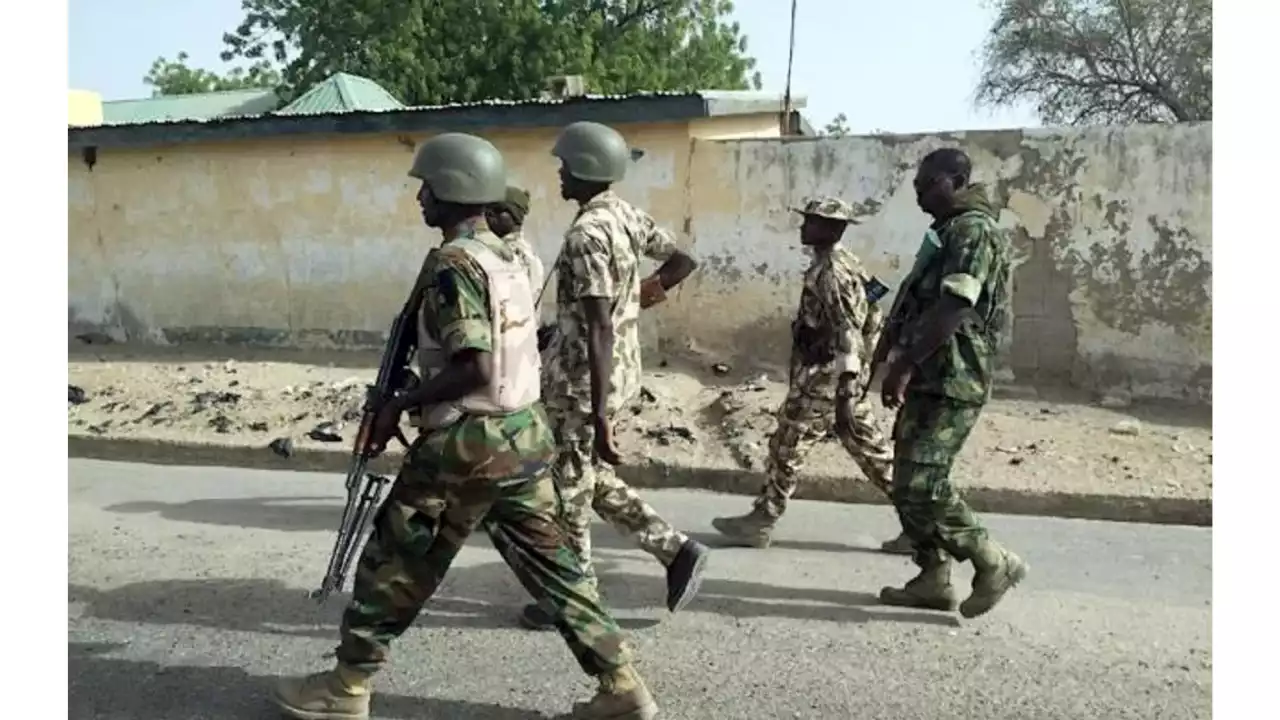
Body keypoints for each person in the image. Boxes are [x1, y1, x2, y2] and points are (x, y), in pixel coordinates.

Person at [271, 132, 659, 720]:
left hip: (468, 438)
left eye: (428, 185)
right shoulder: (507, 256)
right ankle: (622, 686)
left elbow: (474, 364)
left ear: (453, 189)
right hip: (523, 435)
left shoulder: (455, 265)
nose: (420, 196)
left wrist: (402, 402)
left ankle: (345, 688)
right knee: (557, 568)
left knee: (394, 561)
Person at [519, 120, 710, 631]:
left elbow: (600, 326)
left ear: (586, 168)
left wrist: (600, 412)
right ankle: (675, 550)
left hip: (584, 383)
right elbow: (683, 258)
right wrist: (641, 298)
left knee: (569, 490)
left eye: (565, 166)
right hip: (613, 372)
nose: (559, 174)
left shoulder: (588, 233)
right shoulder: (624, 215)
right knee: (581, 474)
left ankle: (574, 602)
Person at [874, 147, 1028, 618]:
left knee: (925, 482)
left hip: (955, 375)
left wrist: (903, 364)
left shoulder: (973, 230)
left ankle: (992, 560)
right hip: (930, 371)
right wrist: (894, 355)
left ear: (956, 180)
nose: (919, 190)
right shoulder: (947, 231)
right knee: (904, 481)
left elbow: (954, 306)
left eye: (928, 182)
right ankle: (932, 575)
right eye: (917, 183)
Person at [711, 197, 910, 553]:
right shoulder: (844, 262)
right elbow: (872, 312)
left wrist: (847, 387)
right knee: (873, 453)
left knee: (788, 444)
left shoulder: (832, 271)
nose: (804, 227)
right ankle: (921, 524)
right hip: (836, 376)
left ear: (833, 229)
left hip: (826, 379)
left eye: (813, 222)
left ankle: (762, 519)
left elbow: (849, 327)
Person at [486, 184, 545, 293]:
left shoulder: (509, 256)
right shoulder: (529, 252)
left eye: (495, 210)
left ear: (510, 215)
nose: (488, 216)